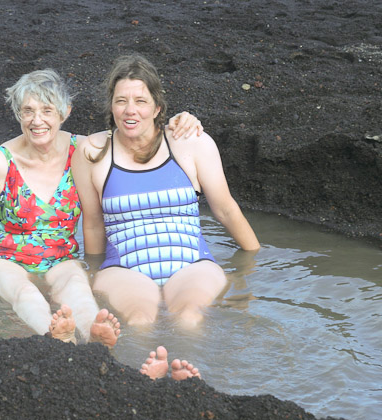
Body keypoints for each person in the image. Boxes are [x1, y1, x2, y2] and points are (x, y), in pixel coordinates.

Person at [0, 68, 202, 346]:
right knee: (25, 293)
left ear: (65, 111)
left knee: (79, 290)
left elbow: (138, 136)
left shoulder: (83, 150)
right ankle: (58, 339)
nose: (37, 121)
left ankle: (98, 341)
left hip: (59, 255)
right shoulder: (1, 161)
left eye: (47, 110)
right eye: (27, 111)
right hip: (2, 257)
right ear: (18, 114)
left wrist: (178, 122)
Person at [72, 54, 261, 329]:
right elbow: (92, 225)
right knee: (139, 321)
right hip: (124, 270)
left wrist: (254, 262)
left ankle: (189, 372)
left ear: (158, 107)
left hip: (192, 265)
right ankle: (138, 372)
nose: (130, 110)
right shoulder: (91, 152)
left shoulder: (190, 142)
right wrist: (91, 275)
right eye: (121, 101)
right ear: (111, 106)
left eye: (141, 101)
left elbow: (225, 210)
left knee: (188, 317)